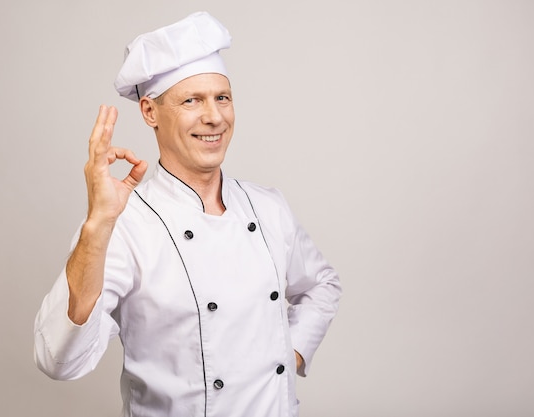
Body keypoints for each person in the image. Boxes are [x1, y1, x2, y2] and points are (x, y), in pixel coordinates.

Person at [34, 11, 341, 417]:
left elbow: (322, 285)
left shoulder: (268, 206)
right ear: (149, 112)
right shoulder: (123, 225)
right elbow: (59, 359)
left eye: (222, 97)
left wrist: (290, 357)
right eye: (191, 100)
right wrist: (97, 225)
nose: (214, 116)